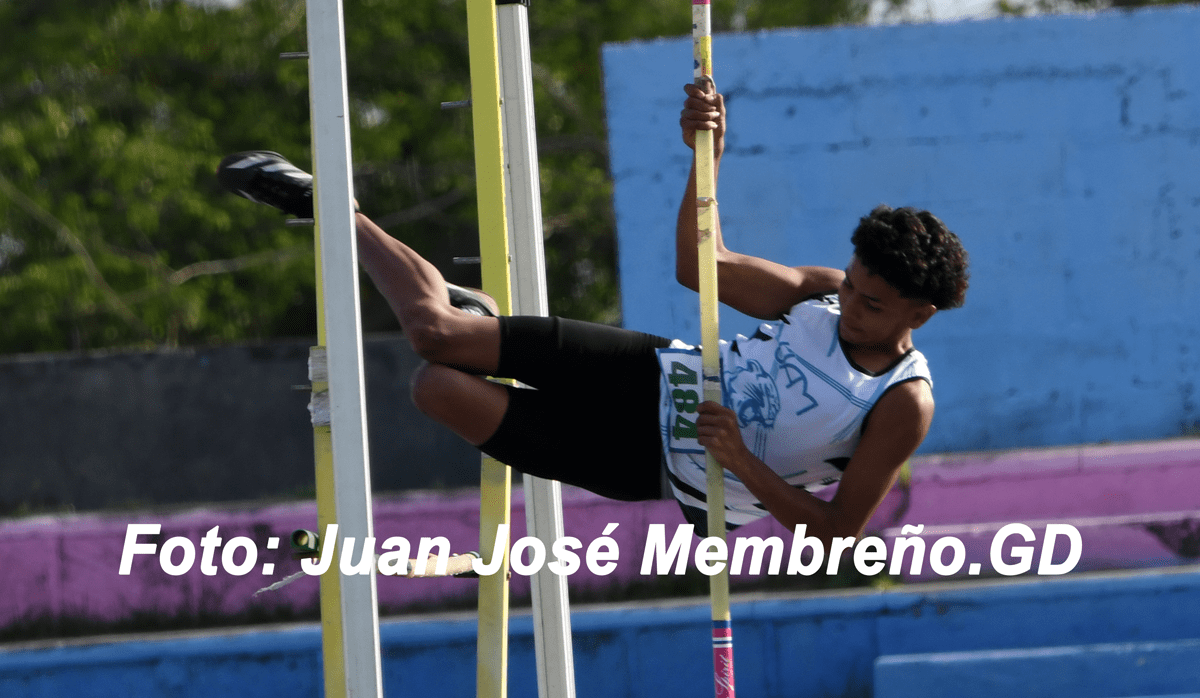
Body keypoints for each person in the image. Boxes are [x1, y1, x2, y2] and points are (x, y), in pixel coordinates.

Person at [216, 82, 969, 547]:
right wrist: (705, 154)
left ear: (921, 315)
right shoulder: (823, 292)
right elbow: (699, 265)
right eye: (854, 286)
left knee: (434, 387)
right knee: (433, 333)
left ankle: (475, 315)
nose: (851, 307)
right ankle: (333, 209)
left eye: (872, 305)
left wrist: (741, 463)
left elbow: (838, 532)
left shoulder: (901, 402)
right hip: (652, 374)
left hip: (653, 465)